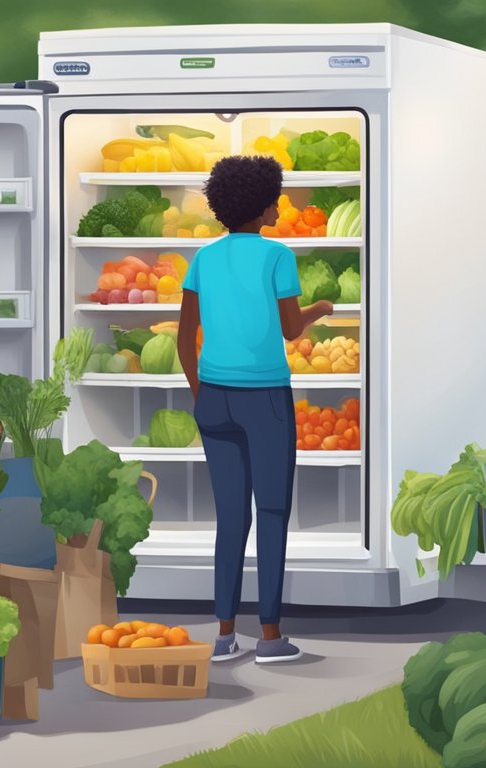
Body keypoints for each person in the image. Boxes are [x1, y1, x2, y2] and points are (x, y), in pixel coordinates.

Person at [176, 156, 334, 664]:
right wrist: (321, 310)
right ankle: (269, 637)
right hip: (265, 398)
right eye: (274, 199)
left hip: (215, 397)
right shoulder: (277, 256)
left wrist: (200, 393)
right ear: (263, 204)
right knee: (270, 512)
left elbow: (184, 338)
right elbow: (291, 330)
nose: (276, 205)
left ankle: (223, 635)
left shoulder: (203, 257)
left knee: (229, 519)